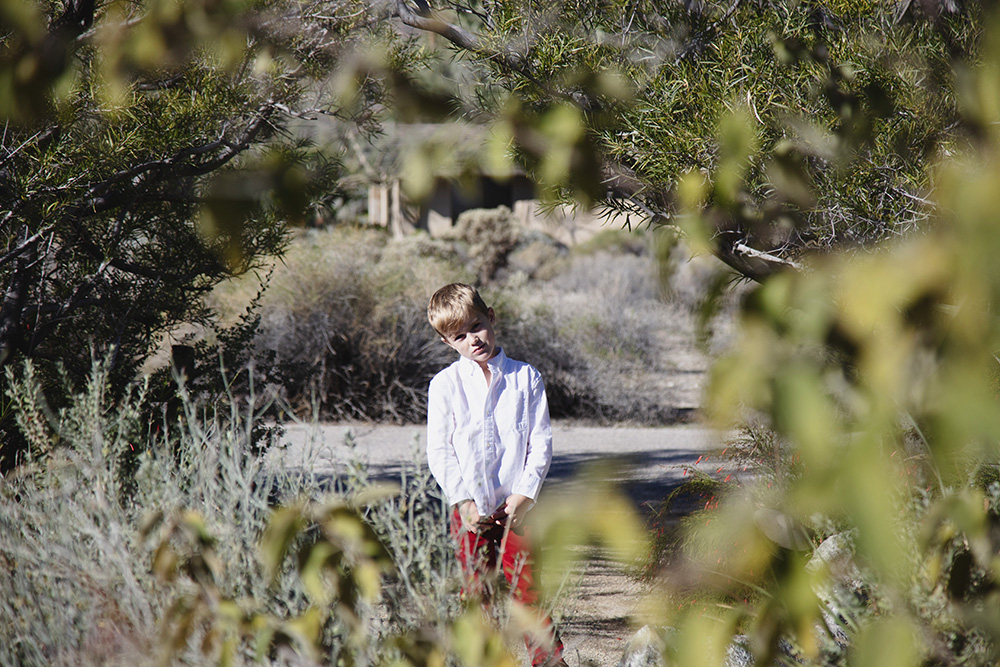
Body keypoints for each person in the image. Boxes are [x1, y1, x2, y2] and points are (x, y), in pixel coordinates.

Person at [426, 283, 567, 667]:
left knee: (528, 588)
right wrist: (464, 501)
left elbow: (541, 442)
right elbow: (440, 451)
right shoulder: (445, 386)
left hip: (517, 507)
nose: (472, 340)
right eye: (459, 336)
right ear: (446, 342)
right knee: (476, 591)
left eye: (476, 326)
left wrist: (526, 494)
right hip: (470, 511)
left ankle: (547, 661)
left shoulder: (526, 378)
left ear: (492, 317)